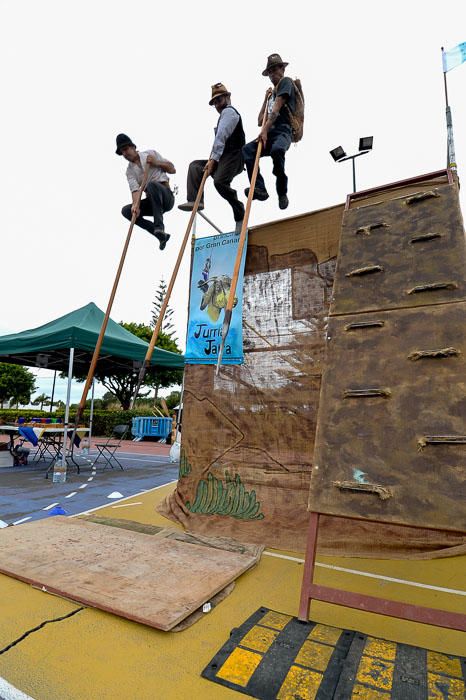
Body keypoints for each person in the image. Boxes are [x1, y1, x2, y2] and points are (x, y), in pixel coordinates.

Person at [178, 83, 246, 233]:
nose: (218, 105)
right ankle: (196, 200)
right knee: (195, 167)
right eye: (215, 103)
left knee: (220, 182)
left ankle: (239, 211)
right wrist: (212, 160)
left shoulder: (229, 112)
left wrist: (212, 160)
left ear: (228, 97)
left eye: (219, 100)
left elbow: (221, 137)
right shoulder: (223, 116)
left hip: (235, 157)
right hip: (223, 158)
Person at [243, 53, 296, 210]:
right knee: (248, 150)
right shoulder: (272, 94)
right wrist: (265, 99)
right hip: (269, 132)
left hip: (283, 131)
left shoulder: (286, 82)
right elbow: (260, 120)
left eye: (275, 69)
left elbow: (276, 110)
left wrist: (264, 131)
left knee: (277, 150)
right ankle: (260, 188)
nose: (273, 74)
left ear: (282, 69)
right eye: (270, 71)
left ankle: (282, 192)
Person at [116, 133, 175, 250]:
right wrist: (135, 205)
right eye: (122, 152)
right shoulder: (130, 172)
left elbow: (172, 169)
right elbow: (135, 191)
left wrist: (156, 163)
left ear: (133, 147)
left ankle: (159, 227)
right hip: (152, 202)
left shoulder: (150, 154)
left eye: (126, 149)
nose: (125, 153)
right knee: (127, 211)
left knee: (152, 185)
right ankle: (158, 233)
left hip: (166, 197)